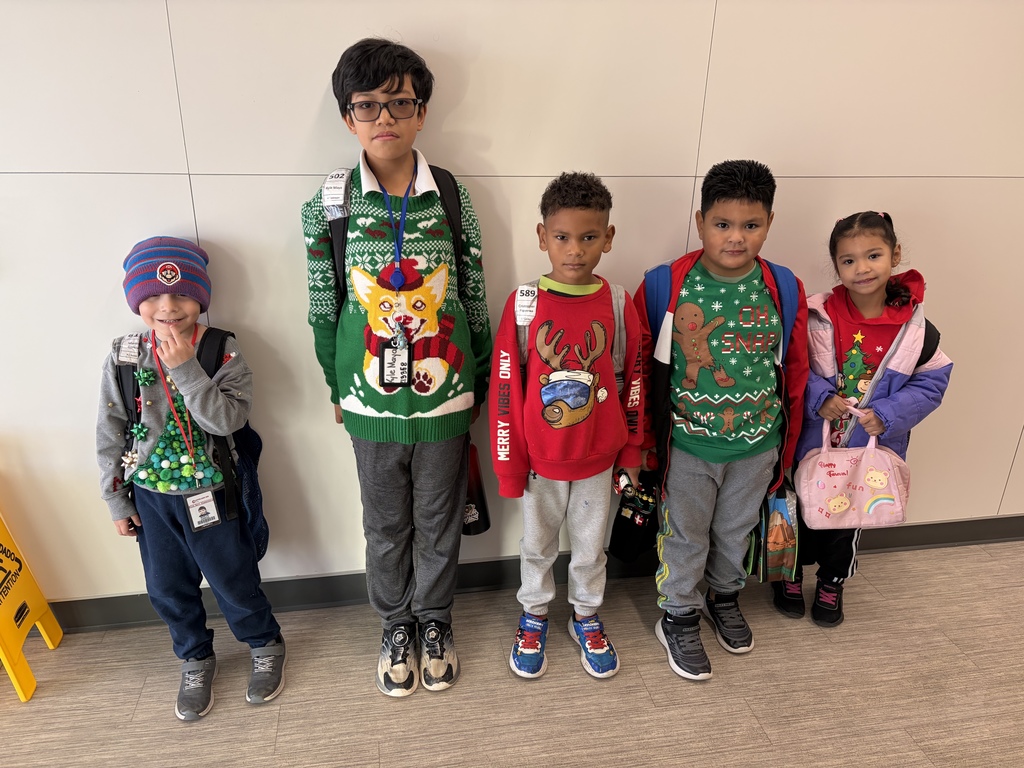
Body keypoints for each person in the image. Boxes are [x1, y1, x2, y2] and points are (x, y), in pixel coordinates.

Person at [300, 38, 492, 697]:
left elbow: (474, 292)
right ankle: (394, 624)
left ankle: (435, 621)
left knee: (439, 519)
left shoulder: (453, 196)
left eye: (400, 102)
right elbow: (322, 307)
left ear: (422, 111)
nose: (385, 117)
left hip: (444, 398)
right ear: (348, 117)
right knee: (384, 523)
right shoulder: (327, 204)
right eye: (368, 105)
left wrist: (484, 378)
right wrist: (334, 384)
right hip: (369, 402)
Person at [96, 236, 285, 721]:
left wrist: (186, 371)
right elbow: (109, 433)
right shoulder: (123, 355)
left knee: (233, 578)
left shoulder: (221, 348)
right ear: (136, 301)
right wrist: (117, 502)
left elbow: (228, 422)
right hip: (152, 497)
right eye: (154, 297)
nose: (168, 307)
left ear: (201, 297)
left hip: (210, 493)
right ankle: (195, 656)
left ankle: (264, 644)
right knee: (166, 586)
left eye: (181, 294)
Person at [633, 159, 809, 680]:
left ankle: (724, 596)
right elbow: (642, 371)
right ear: (700, 220)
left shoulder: (783, 286)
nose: (736, 238)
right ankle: (679, 613)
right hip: (688, 444)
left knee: (735, 531)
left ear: (770, 223)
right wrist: (644, 443)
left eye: (751, 225)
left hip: (757, 444)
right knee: (686, 533)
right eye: (723, 224)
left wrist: (789, 442)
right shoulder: (665, 284)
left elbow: (793, 368)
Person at [490, 172, 645, 679]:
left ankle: (586, 615)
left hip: (600, 462)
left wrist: (632, 452)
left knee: (589, 547)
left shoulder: (620, 305)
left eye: (588, 237)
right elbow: (506, 389)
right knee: (535, 546)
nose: (574, 249)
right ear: (541, 236)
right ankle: (533, 615)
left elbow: (635, 381)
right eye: (562, 237)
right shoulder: (524, 304)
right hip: (540, 463)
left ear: (608, 237)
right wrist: (510, 467)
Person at [773, 211, 952, 626]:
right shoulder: (817, 315)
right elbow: (790, 365)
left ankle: (834, 581)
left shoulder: (917, 328)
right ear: (836, 265)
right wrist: (820, 397)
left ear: (895, 254)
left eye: (873, 255)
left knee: (849, 517)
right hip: (812, 443)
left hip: (868, 451)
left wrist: (886, 415)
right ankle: (791, 575)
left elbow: (933, 382)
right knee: (801, 509)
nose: (862, 268)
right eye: (848, 260)